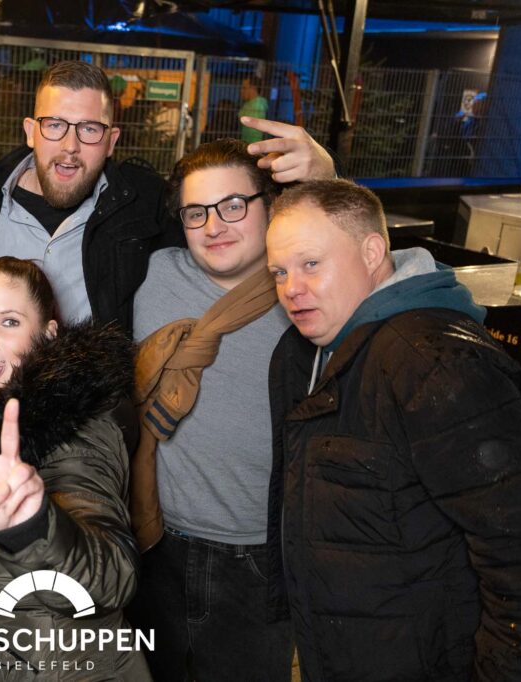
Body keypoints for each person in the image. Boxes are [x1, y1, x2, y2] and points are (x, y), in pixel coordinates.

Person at [265, 179, 521, 681]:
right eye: (279, 272)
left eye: (311, 263)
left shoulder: (433, 364)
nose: (291, 288)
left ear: (372, 252)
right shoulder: (316, 351)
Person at [127, 134, 332, 680]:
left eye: (233, 205)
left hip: (257, 558)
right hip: (156, 542)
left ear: (272, 205)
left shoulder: (310, 292)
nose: (214, 226)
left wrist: (326, 183)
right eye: (197, 212)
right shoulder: (157, 274)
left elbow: (398, 271)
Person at [0, 60, 329, 332]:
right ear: (30, 131)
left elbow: (242, 237)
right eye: (55, 125)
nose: (70, 146)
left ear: (111, 141)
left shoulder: (145, 204)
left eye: (89, 129)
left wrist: (322, 183)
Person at [0, 257, 149, 680]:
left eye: (9, 322)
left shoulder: (75, 426)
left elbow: (111, 579)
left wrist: (32, 529)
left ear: (48, 334)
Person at [239, 76, 268, 145]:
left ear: (253, 88)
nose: (241, 91)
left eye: (244, 88)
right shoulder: (249, 103)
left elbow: (254, 130)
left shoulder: (258, 104)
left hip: (253, 144)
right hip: (246, 142)